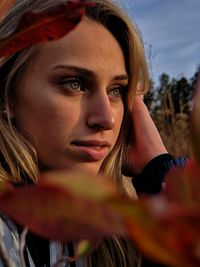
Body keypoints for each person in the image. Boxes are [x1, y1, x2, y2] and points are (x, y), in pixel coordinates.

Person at [0, 0, 187, 266]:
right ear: (7, 96)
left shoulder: (113, 239)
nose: (107, 119)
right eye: (74, 83)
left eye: (116, 90)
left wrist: (157, 167)